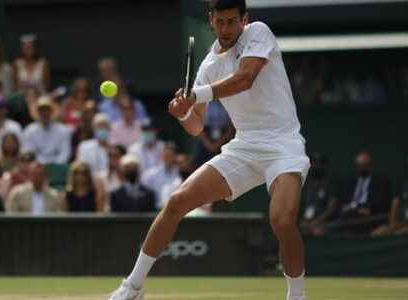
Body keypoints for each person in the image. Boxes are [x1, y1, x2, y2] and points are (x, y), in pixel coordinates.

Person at [109, 1, 311, 299]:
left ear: (245, 19)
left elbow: (246, 78)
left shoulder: (258, 32)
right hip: (244, 147)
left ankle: (297, 296)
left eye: (232, 21)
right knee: (176, 202)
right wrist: (183, 112)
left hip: (284, 144)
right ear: (211, 20)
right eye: (221, 22)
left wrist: (195, 95)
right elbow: (196, 126)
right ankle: (132, 287)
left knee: (281, 220)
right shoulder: (208, 66)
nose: (227, 29)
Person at [335, 150, 392, 234]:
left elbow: (382, 203)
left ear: (370, 165)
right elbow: (342, 200)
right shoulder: (350, 182)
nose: (362, 168)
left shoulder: (380, 182)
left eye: (365, 166)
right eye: (359, 166)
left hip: (369, 216)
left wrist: (369, 209)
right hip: (350, 215)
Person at [22, 97, 71, 164]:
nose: (44, 113)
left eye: (47, 110)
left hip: (58, 166)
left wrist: (55, 165)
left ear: (52, 111)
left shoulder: (63, 130)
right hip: (35, 166)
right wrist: (40, 164)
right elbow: (29, 151)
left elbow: (65, 152)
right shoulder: (29, 130)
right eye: (42, 110)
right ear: (38, 112)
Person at [300, 154, 339, 236]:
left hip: (324, 222)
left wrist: (316, 222)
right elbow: (305, 207)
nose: (316, 166)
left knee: (317, 232)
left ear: (324, 166)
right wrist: (305, 221)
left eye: (319, 163)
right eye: (313, 163)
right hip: (308, 221)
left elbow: (331, 209)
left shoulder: (330, 185)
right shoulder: (307, 185)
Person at [372, 154, 408, 236]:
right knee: (378, 233)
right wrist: (393, 224)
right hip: (402, 223)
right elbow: (395, 203)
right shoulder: (405, 184)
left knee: (398, 233)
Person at [141, 142, 181, 209]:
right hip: (154, 210)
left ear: (175, 156)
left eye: (170, 155)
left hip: (175, 209)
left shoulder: (180, 173)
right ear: (162, 155)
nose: (167, 158)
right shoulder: (150, 174)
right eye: (165, 155)